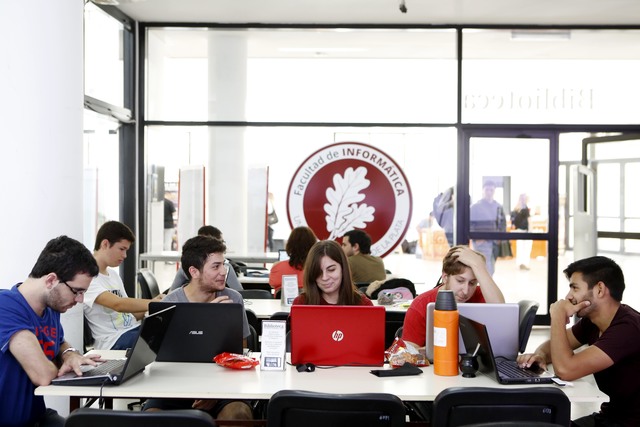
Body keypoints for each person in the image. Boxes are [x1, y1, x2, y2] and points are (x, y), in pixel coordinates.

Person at [517, 256, 640, 427]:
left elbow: (566, 370)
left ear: (599, 289)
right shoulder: (592, 323)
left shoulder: (628, 329)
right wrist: (541, 356)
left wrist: (558, 316)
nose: (568, 296)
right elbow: (551, 348)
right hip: (609, 418)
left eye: (575, 288)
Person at [143, 235, 253, 422]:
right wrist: (207, 318)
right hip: (176, 385)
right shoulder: (170, 303)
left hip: (222, 385)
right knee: (151, 418)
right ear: (194, 272)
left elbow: (239, 352)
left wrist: (215, 391)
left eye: (223, 264)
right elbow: (157, 358)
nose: (224, 272)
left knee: (238, 415)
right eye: (215, 266)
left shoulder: (233, 299)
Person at [0, 236, 101, 427]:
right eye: (76, 291)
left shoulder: (51, 308)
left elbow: (59, 343)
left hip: (36, 417)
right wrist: (60, 361)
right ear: (51, 280)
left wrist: (69, 354)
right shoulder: (5, 306)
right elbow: (43, 374)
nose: (80, 300)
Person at [402, 245, 505, 348]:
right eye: (460, 281)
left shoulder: (484, 295)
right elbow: (409, 352)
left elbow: (502, 312)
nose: (465, 291)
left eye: (472, 283)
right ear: (445, 277)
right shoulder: (421, 305)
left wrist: (479, 266)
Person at [83, 221, 164, 350]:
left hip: (131, 332)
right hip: (113, 341)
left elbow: (131, 314)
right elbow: (119, 304)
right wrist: (153, 303)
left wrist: (159, 307)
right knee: (164, 338)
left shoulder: (113, 275)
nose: (125, 256)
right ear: (105, 244)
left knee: (169, 330)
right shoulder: (87, 278)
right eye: (122, 249)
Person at [293, 240, 373, 306]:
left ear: (343, 268)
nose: (324, 277)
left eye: (331, 270)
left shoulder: (363, 304)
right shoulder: (301, 303)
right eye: (318, 272)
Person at [168, 225, 243, 292]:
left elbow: (171, 292)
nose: (223, 272)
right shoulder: (227, 267)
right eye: (215, 266)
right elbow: (242, 294)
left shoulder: (226, 267)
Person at [470, 180, 507, 276]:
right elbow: (470, 224)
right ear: (483, 191)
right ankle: (485, 289)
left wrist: (500, 238)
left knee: (492, 268)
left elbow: (502, 223)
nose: (489, 192)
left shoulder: (498, 206)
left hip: (494, 242)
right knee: (486, 269)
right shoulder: (475, 207)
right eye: (487, 190)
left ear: (494, 191)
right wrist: (477, 238)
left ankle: (485, 289)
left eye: (491, 190)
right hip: (481, 242)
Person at [269, 226, 317, 296]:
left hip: (280, 306)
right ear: (313, 245)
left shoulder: (277, 267)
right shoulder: (317, 269)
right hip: (308, 306)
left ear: (289, 244)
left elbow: (272, 285)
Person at [511, 193, 532, 271]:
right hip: (525, 231)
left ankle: (520, 263)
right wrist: (530, 229)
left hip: (519, 230)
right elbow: (528, 220)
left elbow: (513, 220)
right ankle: (524, 263)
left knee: (520, 248)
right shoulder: (525, 208)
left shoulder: (516, 208)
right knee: (526, 248)